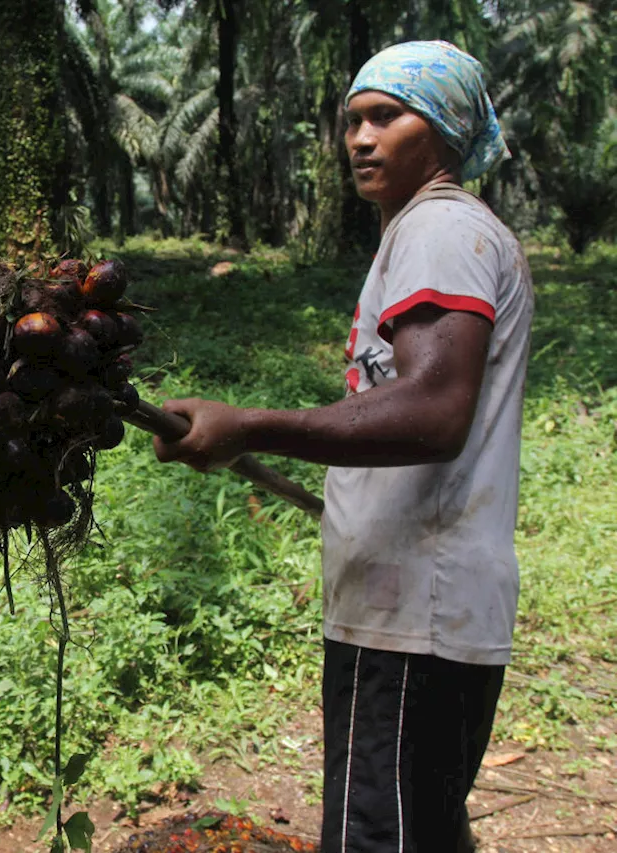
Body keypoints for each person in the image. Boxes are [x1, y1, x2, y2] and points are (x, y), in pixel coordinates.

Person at [152, 41, 532, 853]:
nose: (361, 138)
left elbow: (434, 409)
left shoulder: (439, 229)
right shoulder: (433, 232)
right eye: (353, 120)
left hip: (412, 616)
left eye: (385, 117)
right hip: (415, 608)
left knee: (379, 837)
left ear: (441, 128)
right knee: (418, 831)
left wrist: (249, 423)